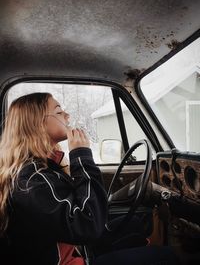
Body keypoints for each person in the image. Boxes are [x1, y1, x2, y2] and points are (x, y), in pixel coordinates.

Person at [0, 92, 180, 265]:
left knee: (134, 223)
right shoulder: (33, 179)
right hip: (69, 260)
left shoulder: (43, 168)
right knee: (166, 256)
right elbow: (88, 224)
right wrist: (81, 155)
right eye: (58, 111)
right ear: (37, 124)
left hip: (72, 247)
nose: (67, 115)